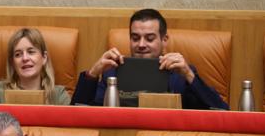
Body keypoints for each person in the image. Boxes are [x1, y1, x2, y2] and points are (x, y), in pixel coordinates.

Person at [71, 8, 229, 110]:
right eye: (135, 38)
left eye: (149, 38)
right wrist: (92, 74)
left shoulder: (180, 75)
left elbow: (221, 111)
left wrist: (189, 75)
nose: (141, 44)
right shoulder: (112, 72)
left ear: (164, 39)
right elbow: (77, 113)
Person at [0, 28, 71, 105]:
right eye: (18, 54)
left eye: (31, 52)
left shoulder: (59, 95)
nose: (25, 58)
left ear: (44, 58)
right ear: (12, 62)